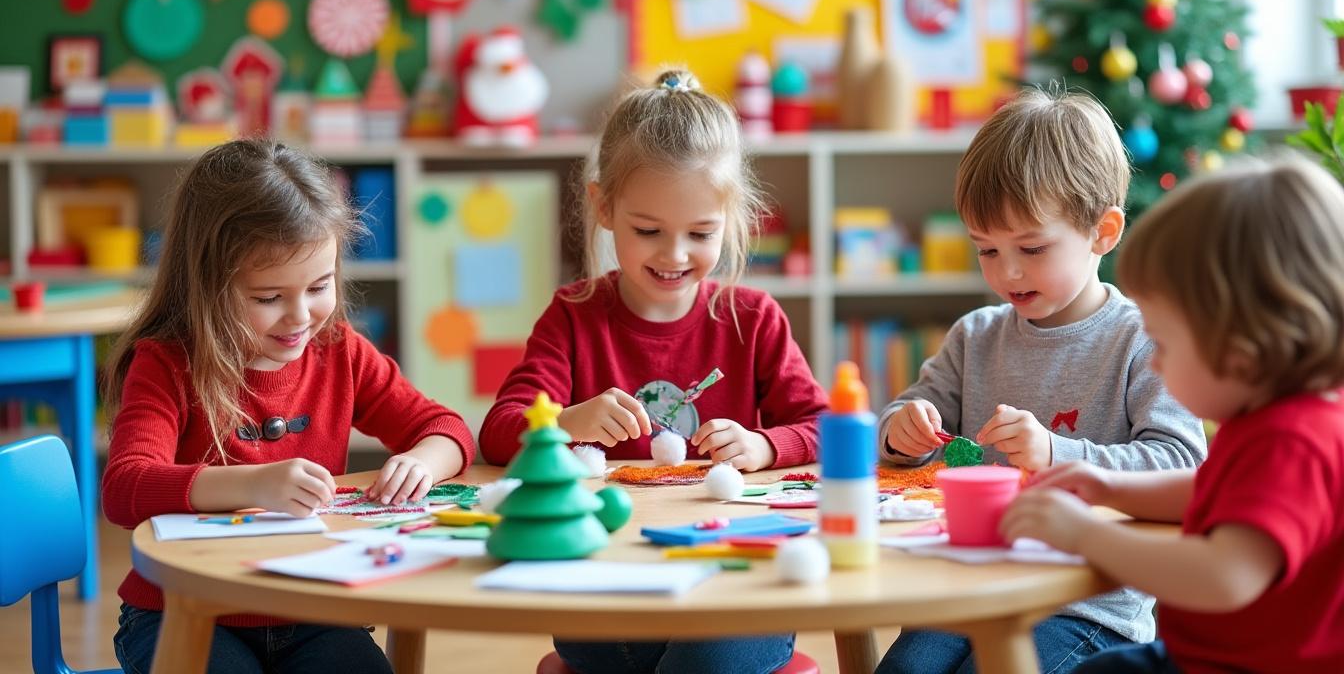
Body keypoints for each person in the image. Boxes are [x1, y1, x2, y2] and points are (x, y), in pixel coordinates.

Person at [480, 70, 825, 674]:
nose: (673, 255)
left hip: (732, 581)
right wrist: (564, 422)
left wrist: (765, 445)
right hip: (612, 574)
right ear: (604, 207)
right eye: (648, 231)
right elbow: (500, 431)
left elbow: (825, 425)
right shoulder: (574, 316)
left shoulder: (753, 318)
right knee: (602, 652)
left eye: (700, 233)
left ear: (733, 220)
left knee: (704, 661)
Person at [102, 139, 476, 674]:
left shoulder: (340, 352)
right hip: (184, 610)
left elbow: (445, 428)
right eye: (268, 298)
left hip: (312, 607)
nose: (300, 316)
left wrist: (423, 461)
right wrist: (253, 485)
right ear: (205, 285)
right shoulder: (168, 364)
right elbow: (124, 487)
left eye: (319, 286)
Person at [876, 88, 1206, 674]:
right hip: (964, 586)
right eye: (986, 250)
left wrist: (1058, 453)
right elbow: (904, 422)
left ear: (1103, 233)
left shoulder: (1143, 338)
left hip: (1084, 606)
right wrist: (901, 429)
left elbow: (1184, 466)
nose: (1007, 272)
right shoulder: (975, 335)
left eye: (1031, 247)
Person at [1003, 161, 1344, 673]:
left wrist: (1087, 536)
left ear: (1242, 346)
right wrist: (1110, 487)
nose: (1155, 361)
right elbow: (1213, 490)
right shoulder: (1276, 419)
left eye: (1162, 343)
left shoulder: (1293, 440)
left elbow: (1225, 575)